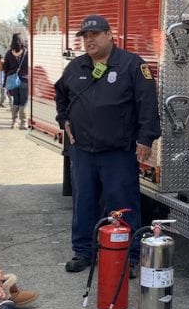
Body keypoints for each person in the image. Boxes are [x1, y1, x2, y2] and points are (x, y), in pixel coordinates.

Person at [55, 15, 161, 274]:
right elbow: (60, 94)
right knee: (83, 203)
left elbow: (147, 105)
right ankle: (84, 252)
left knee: (123, 204)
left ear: (109, 35)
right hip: (82, 152)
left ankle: (130, 256)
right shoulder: (76, 67)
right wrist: (64, 120)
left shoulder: (131, 65)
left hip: (118, 152)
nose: (89, 40)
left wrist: (145, 139)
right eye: (85, 37)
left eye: (95, 35)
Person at [2, 34, 29, 129]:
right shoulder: (26, 53)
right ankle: (23, 123)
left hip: (13, 80)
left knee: (15, 101)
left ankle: (14, 122)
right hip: (24, 79)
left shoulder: (9, 53)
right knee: (24, 102)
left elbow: (5, 68)